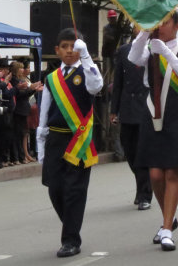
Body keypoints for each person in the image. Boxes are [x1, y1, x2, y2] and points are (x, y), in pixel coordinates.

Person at [129, 7, 178, 252]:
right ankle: (168, 218)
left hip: (177, 114)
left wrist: (168, 55)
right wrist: (144, 33)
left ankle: (167, 228)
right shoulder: (150, 49)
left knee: (172, 173)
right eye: (157, 21)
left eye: (164, 21)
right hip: (153, 113)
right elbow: (132, 58)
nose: (160, 25)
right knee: (155, 175)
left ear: (177, 24)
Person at [36, 28, 103, 258]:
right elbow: (45, 110)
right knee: (55, 189)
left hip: (79, 138)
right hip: (55, 138)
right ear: (56, 50)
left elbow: (96, 87)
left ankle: (71, 240)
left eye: (73, 47)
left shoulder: (88, 72)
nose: (68, 51)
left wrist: (86, 57)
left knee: (75, 190)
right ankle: (72, 224)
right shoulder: (51, 78)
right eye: (64, 47)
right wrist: (40, 141)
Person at [110, 27, 152, 211]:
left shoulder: (155, 48)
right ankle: (141, 185)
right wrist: (114, 110)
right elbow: (118, 81)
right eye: (137, 24)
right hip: (127, 107)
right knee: (130, 151)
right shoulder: (124, 50)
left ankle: (145, 194)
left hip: (146, 107)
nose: (140, 28)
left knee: (143, 152)